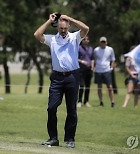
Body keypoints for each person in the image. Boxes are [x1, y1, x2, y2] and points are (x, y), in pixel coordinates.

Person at [34, 13, 89, 148]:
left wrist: (69, 18)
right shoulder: (52, 39)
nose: (63, 31)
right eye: (61, 28)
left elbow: (86, 29)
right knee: (51, 108)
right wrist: (49, 21)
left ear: (68, 26)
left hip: (72, 77)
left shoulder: (75, 37)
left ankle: (70, 139)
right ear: (58, 27)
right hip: (57, 78)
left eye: (65, 28)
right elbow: (37, 34)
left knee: (71, 109)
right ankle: (53, 138)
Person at [92, 36, 115, 107]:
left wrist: (111, 67)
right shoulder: (96, 50)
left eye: (104, 42)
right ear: (100, 42)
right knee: (99, 87)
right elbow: (94, 59)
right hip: (98, 70)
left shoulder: (110, 49)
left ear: (106, 42)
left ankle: (112, 102)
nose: (103, 43)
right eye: (102, 42)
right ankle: (101, 102)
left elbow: (113, 59)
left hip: (107, 70)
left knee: (110, 87)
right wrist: (93, 67)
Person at [77, 36, 94, 108]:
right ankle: (79, 101)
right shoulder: (78, 48)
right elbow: (75, 58)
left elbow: (92, 58)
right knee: (81, 85)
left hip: (89, 70)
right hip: (81, 69)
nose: (86, 40)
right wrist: (83, 61)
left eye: (87, 39)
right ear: (82, 40)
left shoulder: (91, 49)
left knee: (88, 86)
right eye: (84, 39)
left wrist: (93, 66)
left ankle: (86, 101)